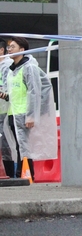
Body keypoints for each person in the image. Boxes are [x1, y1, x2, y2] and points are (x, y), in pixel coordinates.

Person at [5, 37, 57, 180]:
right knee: (19, 145)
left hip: (24, 113)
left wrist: (31, 115)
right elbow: (15, 93)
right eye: (9, 47)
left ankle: (26, 175)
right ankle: (22, 175)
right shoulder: (12, 70)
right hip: (13, 113)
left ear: (22, 50)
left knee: (24, 146)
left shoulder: (29, 67)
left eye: (13, 47)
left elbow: (34, 91)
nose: (9, 50)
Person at [0, 39, 17, 177]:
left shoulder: (7, 66)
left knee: (5, 144)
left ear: (1, 50)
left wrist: (3, 94)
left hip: (5, 111)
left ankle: (10, 174)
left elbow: (8, 90)